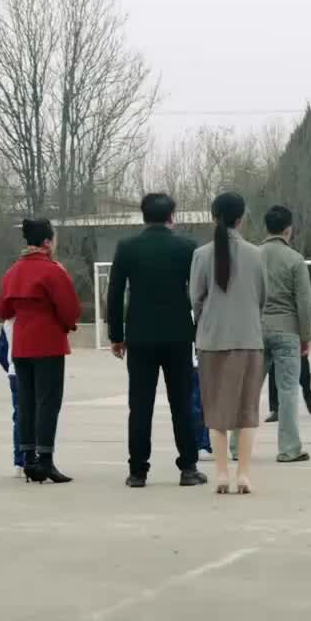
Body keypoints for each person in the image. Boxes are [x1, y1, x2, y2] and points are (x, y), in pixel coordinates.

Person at [107, 191, 206, 489]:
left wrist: (116, 336)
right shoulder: (187, 247)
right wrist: (199, 330)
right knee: (182, 403)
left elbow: (114, 293)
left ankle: (137, 471)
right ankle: (188, 467)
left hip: (140, 336)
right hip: (178, 335)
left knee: (140, 405)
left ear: (144, 216)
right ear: (171, 216)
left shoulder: (127, 248)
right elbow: (198, 293)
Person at [190, 192, 267, 494]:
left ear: (213, 217)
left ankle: (221, 474)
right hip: (248, 339)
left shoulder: (201, 255)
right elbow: (262, 297)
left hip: (212, 341)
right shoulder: (256, 254)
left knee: (216, 412)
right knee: (247, 411)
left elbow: (195, 299)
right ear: (241, 218)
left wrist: (208, 320)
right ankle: (244, 474)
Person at [0, 218, 81, 481]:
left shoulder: (13, 271)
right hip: (48, 343)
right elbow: (70, 310)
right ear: (47, 242)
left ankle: (28, 459)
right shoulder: (53, 271)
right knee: (48, 403)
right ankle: (45, 460)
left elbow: (3, 309)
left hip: (21, 345)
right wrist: (66, 325)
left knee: (27, 402)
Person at [259, 204, 311, 465]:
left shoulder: (252, 256)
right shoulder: (295, 259)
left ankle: (236, 445)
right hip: (287, 330)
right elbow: (304, 302)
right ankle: (289, 448)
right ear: (289, 229)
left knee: (248, 390)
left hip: (256, 330)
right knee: (288, 390)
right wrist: (306, 335)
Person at [267, 263, 311, 423]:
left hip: (293, 326)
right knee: (273, 368)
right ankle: (276, 408)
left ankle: (307, 392)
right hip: (270, 326)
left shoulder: (296, 268)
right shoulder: (264, 268)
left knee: (302, 366)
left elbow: (309, 299)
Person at [0, 317, 23, 472]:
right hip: (35, 371)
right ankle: (36, 458)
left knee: (19, 417)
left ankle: (19, 462)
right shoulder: (40, 315)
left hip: (15, 373)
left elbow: (1, 352)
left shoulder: (8, 322)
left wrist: (10, 367)